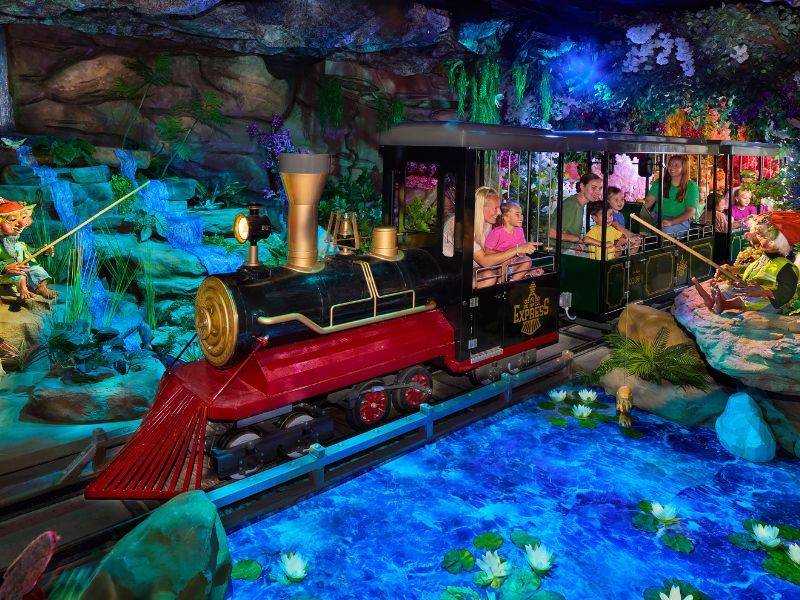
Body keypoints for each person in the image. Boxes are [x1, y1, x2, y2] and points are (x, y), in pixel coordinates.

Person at [691, 210, 800, 315]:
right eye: (759, 235)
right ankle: (712, 300)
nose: (760, 240)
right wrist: (733, 269)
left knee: (753, 299)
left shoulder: (787, 268)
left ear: (779, 242)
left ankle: (725, 304)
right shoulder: (764, 257)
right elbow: (752, 267)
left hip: (768, 301)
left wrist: (763, 292)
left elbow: (787, 293)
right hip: (750, 289)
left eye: (765, 236)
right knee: (728, 289)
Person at [0, 199, 56, 300]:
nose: (22, 224)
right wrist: (5, 267)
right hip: (6, 275)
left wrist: (43, 250)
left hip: (21, 269)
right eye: (12, 220)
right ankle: (23, 289)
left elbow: (29, 251)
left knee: (38, 270)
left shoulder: (18, 243)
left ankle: (41, 287)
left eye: (23, 218)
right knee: (19, 275)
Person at [484, 202, 543, 281]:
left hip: (513, 264)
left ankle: (512, 282)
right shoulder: (497, 232)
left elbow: (522, 253)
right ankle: (501, 283)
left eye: (521, 214)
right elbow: (487, 251)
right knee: (505, 260)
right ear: (506, 217)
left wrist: (526, 250)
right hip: (498, 266)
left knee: (527, 259)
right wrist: (506, 255)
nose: (521, 217)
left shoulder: (519, 230)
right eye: (517, 214)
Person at [643, 155, 701, 235]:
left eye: (676, 165)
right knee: (637, 228)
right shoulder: (659, 183)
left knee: (663, 232)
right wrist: (638, 209)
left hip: (679, 221)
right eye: (670, 165)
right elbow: (648, 201)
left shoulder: (691, 186)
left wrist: (671, 222)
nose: (672, 168)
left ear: (684, 168)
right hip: (657, 218)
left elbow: (690, 211)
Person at [548, 172, 604, 252]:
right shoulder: (572, 204)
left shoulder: (579, 204)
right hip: (555, 251)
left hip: (564, 249)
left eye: (600, 188)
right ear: (582, 186)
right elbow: (552, 233)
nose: (598, 192)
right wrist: (576, 239)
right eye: (593, 187)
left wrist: (576, 242)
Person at [606, 186, 641, 253]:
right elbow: (616, 226)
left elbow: (623, 229)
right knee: (627, 240)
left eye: (622, 199)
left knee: (637, 240)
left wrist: (633, 235)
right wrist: (630, 236)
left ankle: (630, 257)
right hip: (612, 239)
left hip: (621, 237)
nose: (620, 202)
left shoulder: (621, 215)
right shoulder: (609, 214)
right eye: (616, 200)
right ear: (608, 202)